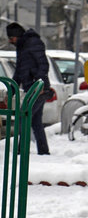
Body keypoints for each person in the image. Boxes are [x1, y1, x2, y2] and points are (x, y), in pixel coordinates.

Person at [6, 22, 51, 155]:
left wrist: (40, 83)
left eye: (11, 38)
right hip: (32, 88)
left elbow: (43, 64)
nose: (10, 41)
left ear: (17, 36)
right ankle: (43, 151)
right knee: (35, 122)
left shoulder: (32, 43)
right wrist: (11, 92)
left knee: (23, 117)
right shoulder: (22, 46)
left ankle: (21, 151)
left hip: (37, 89)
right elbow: (19, 71)